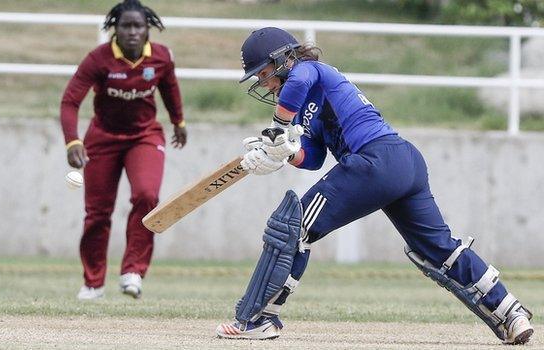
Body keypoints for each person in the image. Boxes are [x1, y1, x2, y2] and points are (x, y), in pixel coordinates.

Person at [215, 27, 534, 344]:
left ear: (284, 60)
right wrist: (286, 152)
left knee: (291, 225)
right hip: (403, 163)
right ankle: (511, 312)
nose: (263, 83)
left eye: (264, 73)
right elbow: (312, 158)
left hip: (375, 160)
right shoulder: (304, 102)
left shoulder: (310, 70)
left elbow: (298, 82)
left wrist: (277, 129)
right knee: (438, 249)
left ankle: (257, 319)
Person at [60, 0, 187, 300]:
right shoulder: (99, 59)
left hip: (144, 136)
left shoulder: (161, 57)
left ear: (147, 30)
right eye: (126, 26)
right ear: (115, 29)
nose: (132, 32)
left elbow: (170, 89)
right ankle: (93, 283)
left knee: (147, 196)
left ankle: (133, 272)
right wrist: (72, 141)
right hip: (102, 139)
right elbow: (70, 101)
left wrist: (178, 121)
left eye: (138, 26)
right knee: (97, 214)